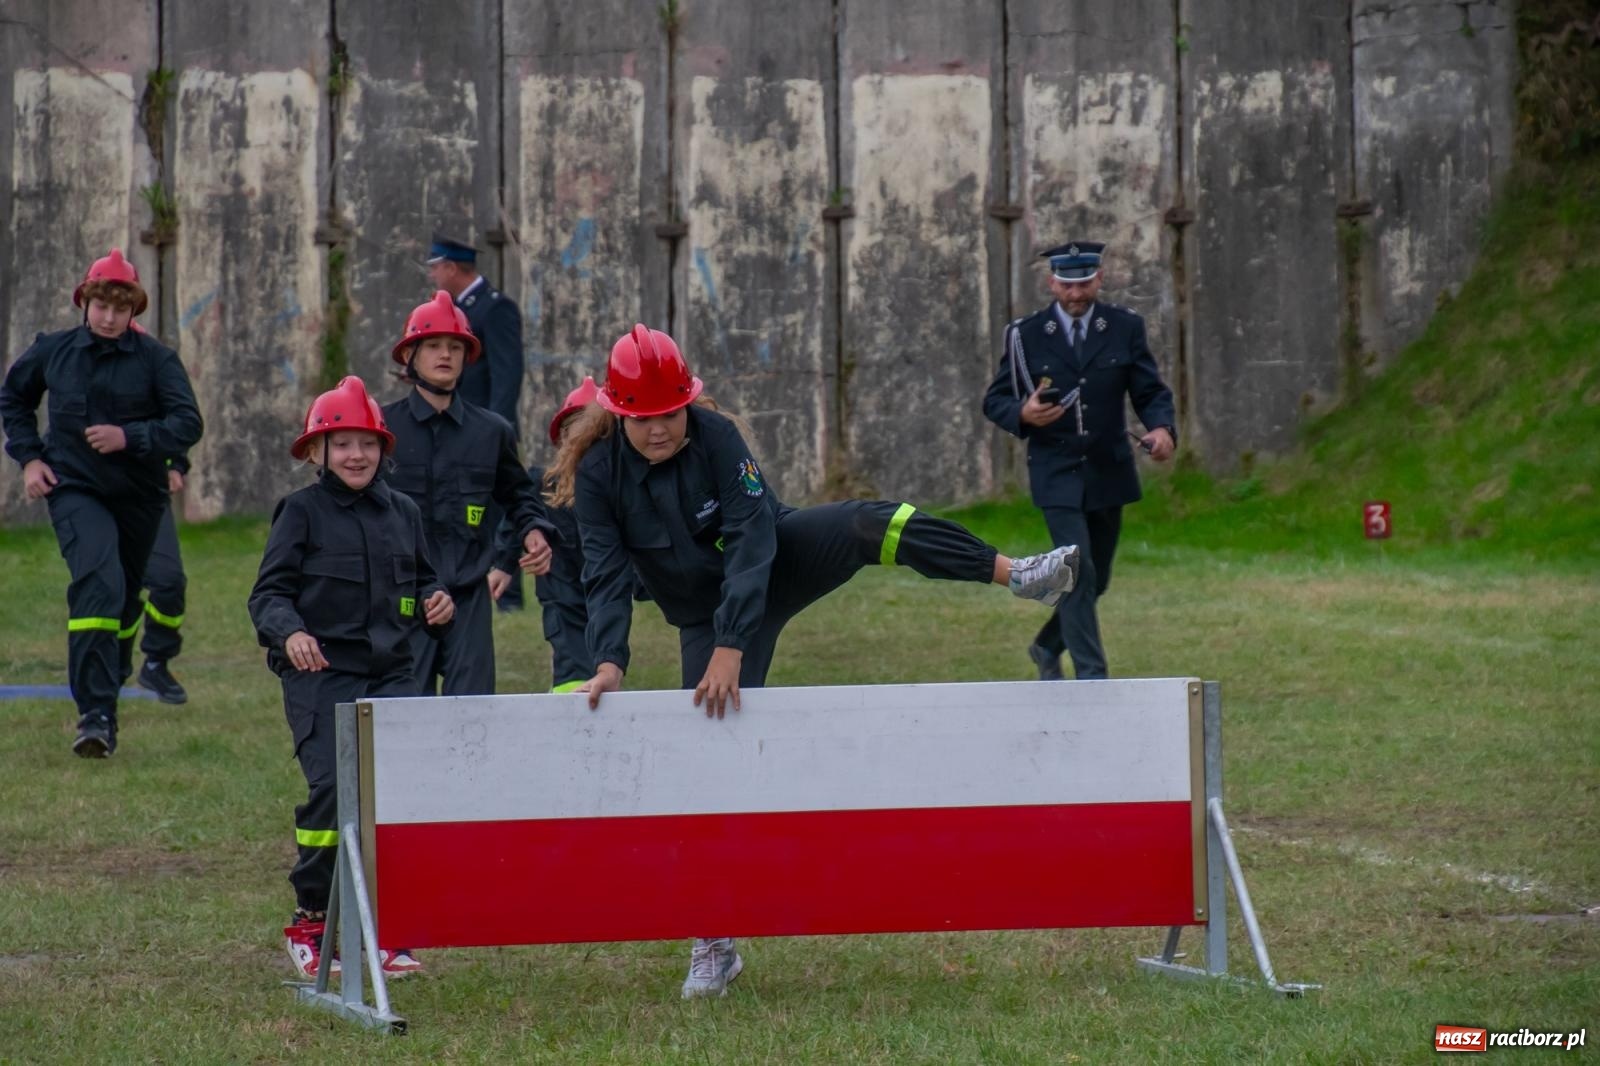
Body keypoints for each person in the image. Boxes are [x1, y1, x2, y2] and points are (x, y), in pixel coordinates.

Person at [550, 325, 1081, 999]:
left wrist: (732, 645)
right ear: (618, 413)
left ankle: (1016, 573)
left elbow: (748, 540)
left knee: (868, 522)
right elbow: (601, 571)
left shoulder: (716, 439)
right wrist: (609, 662)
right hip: (700, 616)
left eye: (671, 413)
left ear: (689, 401)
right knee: (706, 763)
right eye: (645, 418)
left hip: (773, 564)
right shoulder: (598, 475)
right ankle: (713, 943)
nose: (660, 429)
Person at [248, 375, 454, 981]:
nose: (356, 455)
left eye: (366, 443)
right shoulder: (300, 512)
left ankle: (381, 929)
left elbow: (423, 581)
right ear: (317, 452)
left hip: (392, 675)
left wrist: (438, 600)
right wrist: (291, 633)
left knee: (388, 799)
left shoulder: (404, 512)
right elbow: (268, 595)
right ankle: (312, 920)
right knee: (335, 792)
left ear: (383, 449)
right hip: (321, 677)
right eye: (341, 445)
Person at [0, 248, 203, 756]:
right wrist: (28, 459)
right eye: (101, 307)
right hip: (75, 489)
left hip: (139, 496)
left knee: (128, 597)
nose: (109, 318)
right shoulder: (54, 351)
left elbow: (187, 423)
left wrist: (130, 437)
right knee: (98, 583)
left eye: (120, 308)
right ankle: (95, 716)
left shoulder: (158, 360)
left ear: (134, 310)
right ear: (84, 303)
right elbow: (14, 398)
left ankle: (113, 671)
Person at [982, 240, 1177, 681]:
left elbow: (1149, 390)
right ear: (1052, 283)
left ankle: (1047, 644)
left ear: (1100, 279)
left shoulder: (1124, 327)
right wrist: (1023, 415)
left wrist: (1162, 429)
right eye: (1067, 285)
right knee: (1077, 569)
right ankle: (1092, 676)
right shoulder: (1025, 335)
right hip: (1056, 472)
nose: (1076, 294)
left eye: (1085, 283)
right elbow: (995, 400)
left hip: (1109, 471)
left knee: (1097, 578)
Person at [381, 291, 555, 696]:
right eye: (435, 346)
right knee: (405, 718)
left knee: (473, 722)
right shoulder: (381, 430)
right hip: (402, 600)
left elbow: (519, 494)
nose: (446, 355)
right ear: (411, 355)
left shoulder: (491, 431)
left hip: (468, 597)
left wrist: (532, 527)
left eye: (456, 346)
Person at [426, 231, 529, 612]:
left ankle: (509, 594)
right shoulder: (455, 311)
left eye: (435, 269)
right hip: (456, 426)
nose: (433, 277)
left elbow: (507, 376)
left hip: (485, 429)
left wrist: (494, 431)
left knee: (502, 508)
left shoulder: (494, 308)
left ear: (452, 268)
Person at [491, 377, 600, 693]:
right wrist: (503, 565)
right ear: (561, 439)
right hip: (559, 587)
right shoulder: (543, 483)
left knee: (603, 655)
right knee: (570, 660)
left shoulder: (619, 489)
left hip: (602, 588)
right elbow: (515, 522)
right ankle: (567, 712)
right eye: (576, 431)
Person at [134, 453, 190, 704]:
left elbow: (179, 416)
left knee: (169, 580)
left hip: (148, 488)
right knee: (109, 589)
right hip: (91, 489)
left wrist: (176, 464)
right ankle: (103, 683)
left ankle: (156, 663)